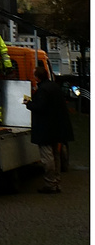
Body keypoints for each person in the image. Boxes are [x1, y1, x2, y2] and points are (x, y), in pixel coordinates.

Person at [26, 64, 74, 193]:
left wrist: (28, 104)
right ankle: (56, 182)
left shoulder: (42, 90)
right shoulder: (54, 87)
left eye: (34, 74)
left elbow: (40, 107)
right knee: (55, 155)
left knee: (47, 157)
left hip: (45, 128)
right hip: (57, 127)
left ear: (37, 77)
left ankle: (50, 183)